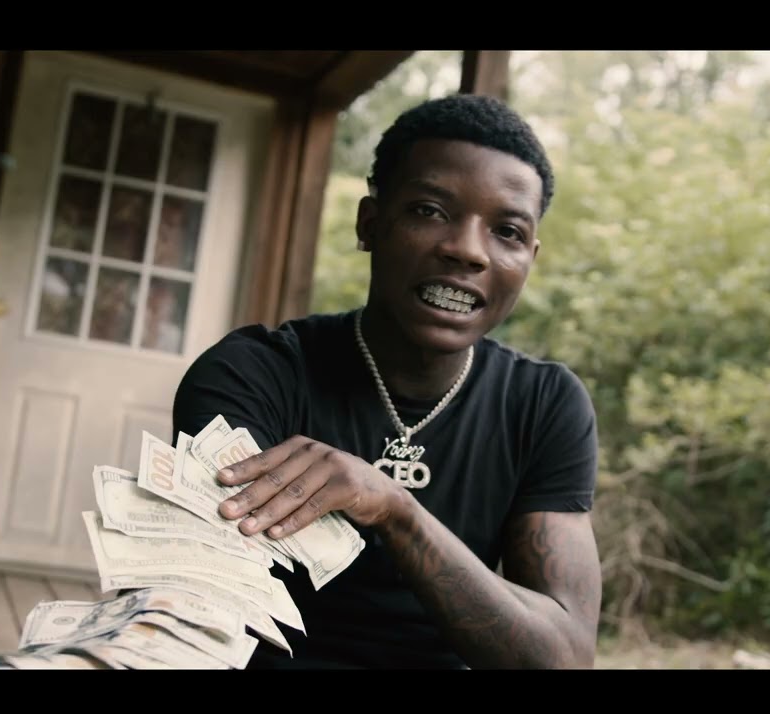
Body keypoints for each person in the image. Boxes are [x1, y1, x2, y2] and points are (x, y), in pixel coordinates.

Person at [171, 93, 602, 669]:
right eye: (430, 210)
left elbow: (563, 657)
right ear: (370, 223)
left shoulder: (544, 405)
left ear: (530, 258)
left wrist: (397, 512)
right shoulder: (254, 376)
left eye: (507, 231)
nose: (467, 251)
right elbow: (203, 602)